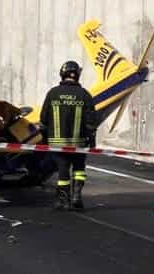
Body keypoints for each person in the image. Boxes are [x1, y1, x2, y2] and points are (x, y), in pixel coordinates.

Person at [40, 61, 97, 211]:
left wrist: (44, 139)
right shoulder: (85, 94)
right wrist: (92, 141)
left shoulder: (53, 93)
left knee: (63, 170)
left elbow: (43, 119)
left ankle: (63, 200)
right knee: (79, 169)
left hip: (58, 143)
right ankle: (77, 196)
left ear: (62, 73)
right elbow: (91, 121)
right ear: (77, 75)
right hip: (79, 143)